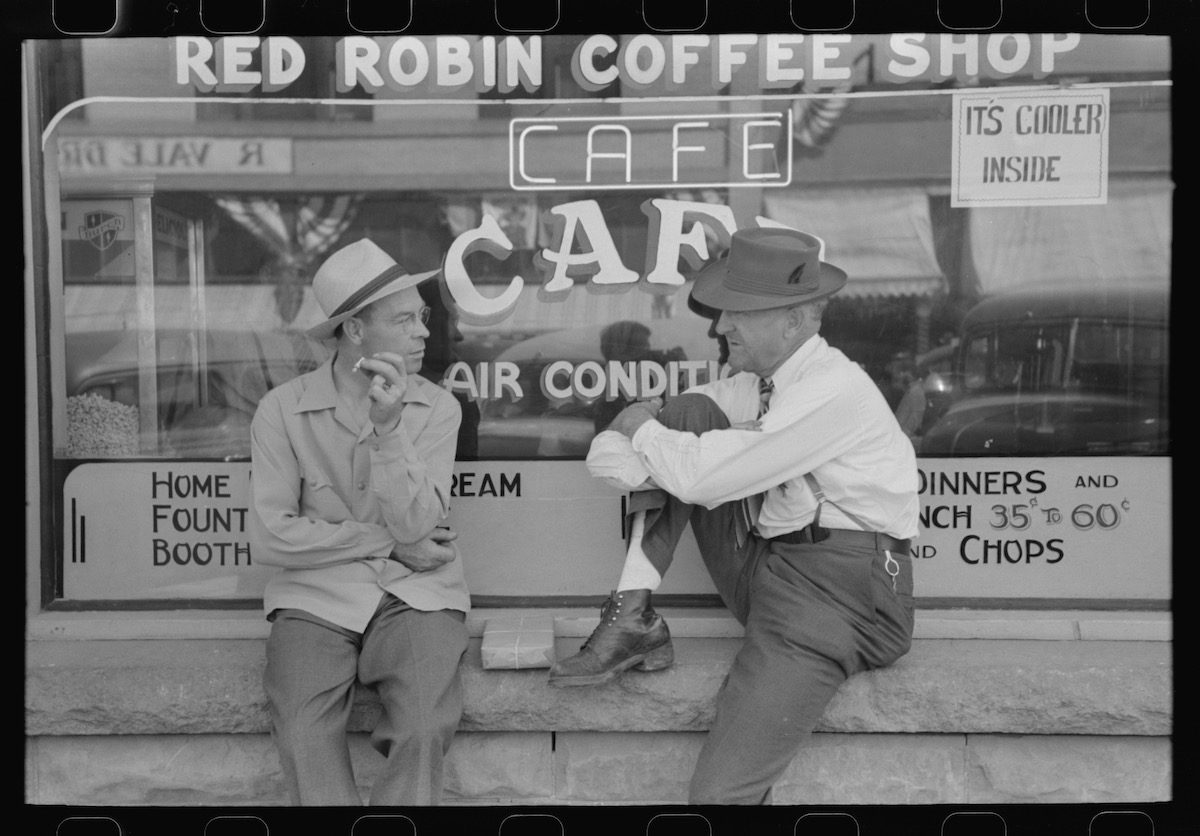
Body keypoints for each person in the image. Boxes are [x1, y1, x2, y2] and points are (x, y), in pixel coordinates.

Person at [548, 227, 919, 805]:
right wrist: (652, 434)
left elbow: (696, 475)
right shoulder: (756, 387)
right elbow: (612, 466)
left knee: (719, 795)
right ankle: (633, 614)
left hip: (840, 594)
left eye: (736, 313)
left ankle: (637, 621)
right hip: (770, 567)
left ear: (794, 321)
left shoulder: (835, 388)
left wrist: (643, 430)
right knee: (692, 412)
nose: (720, 327)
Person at [248, 238, 470, 806]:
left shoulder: (438, 407)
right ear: (353, 331)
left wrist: (389, 428)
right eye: (404, 319)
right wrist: (385, 546)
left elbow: (420, 524)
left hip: (415, 593)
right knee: (301, 727)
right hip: (315, 597)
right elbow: (271, 534)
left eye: (422, 317)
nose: (424, 331)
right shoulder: (281, 409)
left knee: (423, 727)